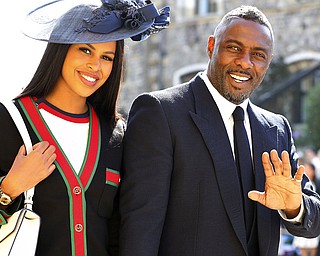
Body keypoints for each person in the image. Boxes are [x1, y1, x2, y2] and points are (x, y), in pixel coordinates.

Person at [119, 5, 320, 256]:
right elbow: (140, 232)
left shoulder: (276, 129)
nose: (244, 62)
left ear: (268, 62)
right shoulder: (161, 112)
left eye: (258, 54)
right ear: (211, 46)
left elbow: (313, 222)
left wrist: (293, 207)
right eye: (234, 48)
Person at [0, 0, 170, 255]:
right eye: (86, 50)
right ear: (61, 49)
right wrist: (9, 189)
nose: (96, 66)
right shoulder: (8, 120)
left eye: (107, 57)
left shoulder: (117, 136)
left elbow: (122, 230)